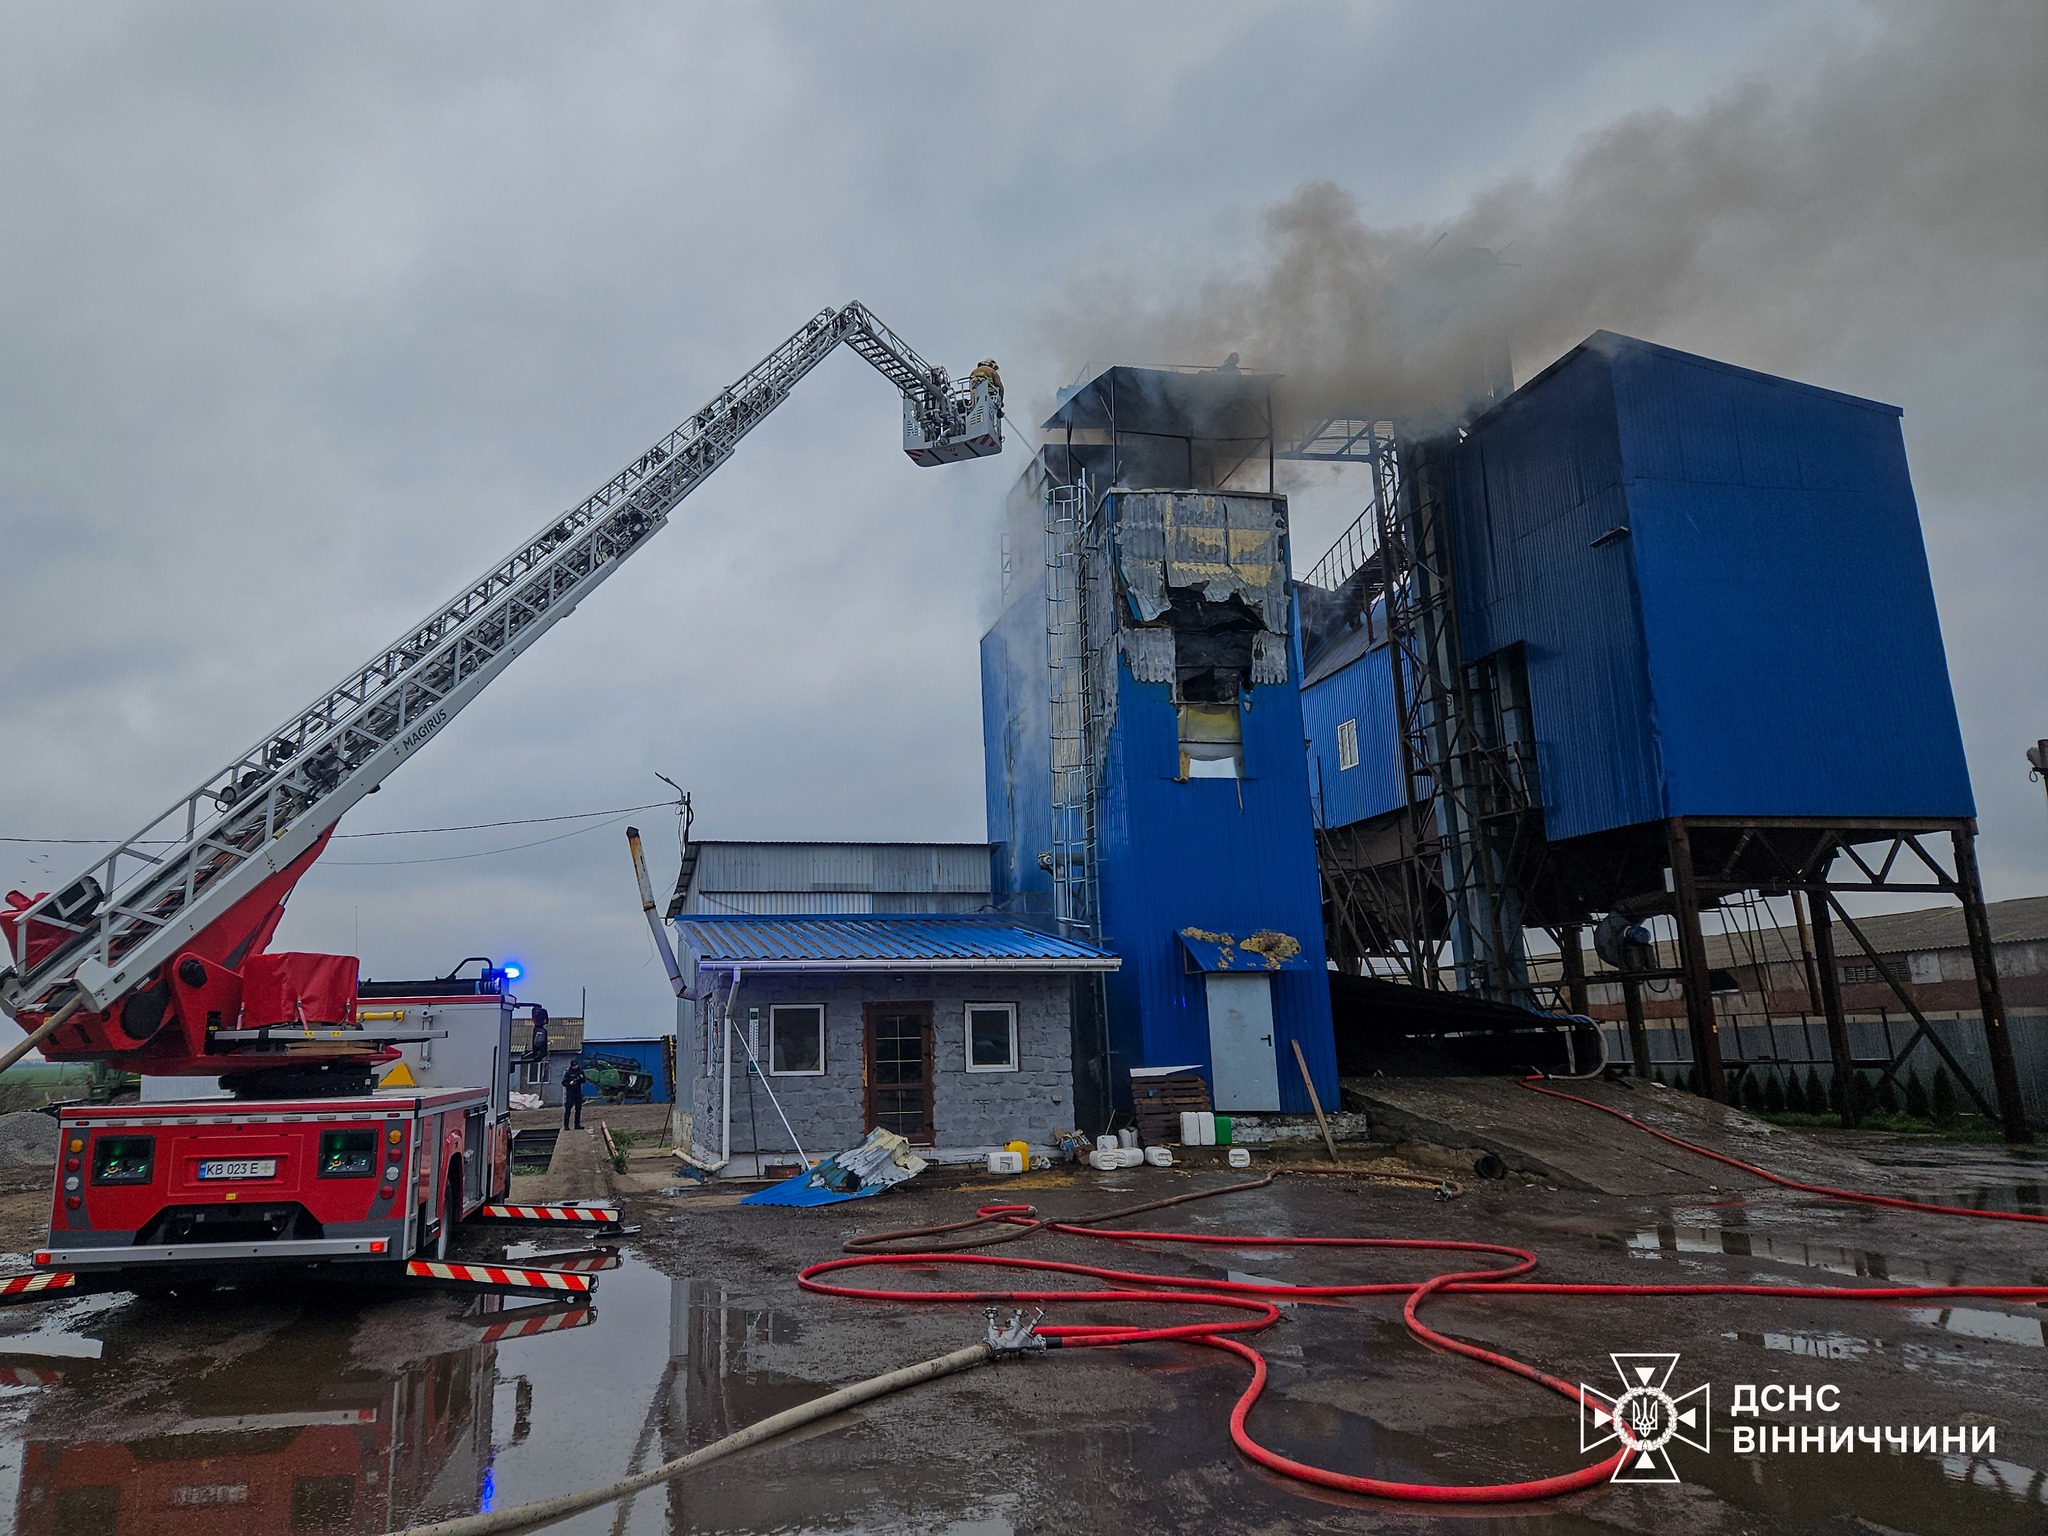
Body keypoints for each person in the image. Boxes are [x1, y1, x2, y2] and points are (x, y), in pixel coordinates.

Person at [561, 1059, 587, 1130]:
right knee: (568, 1109)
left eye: (576, 1065)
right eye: (574, 1066)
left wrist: (580, 1079)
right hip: (570, 1093)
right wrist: (569, 1083)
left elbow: (584, 1081)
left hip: (578, 1093)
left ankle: (577, 1124)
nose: (575, 1067)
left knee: (578, 1109)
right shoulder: (568, 1073)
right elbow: (563, 1082)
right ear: (571, 1066)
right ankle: (566, 1126)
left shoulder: (580, 1072)